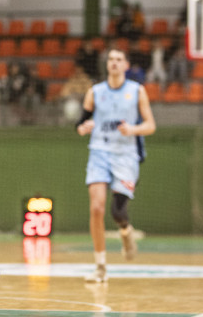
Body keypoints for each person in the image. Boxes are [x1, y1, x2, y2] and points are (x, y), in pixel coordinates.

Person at [75, 48, 156, 283]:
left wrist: (133, 129)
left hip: (126, 155)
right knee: (97, 208)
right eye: (110, 59)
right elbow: (80, 124)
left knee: (117, 212)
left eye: (119, 59)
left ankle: (125, 230)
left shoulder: (137, 91)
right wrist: (83, 128)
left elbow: (150, 125)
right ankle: (100, 267)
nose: (114, 63)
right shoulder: (95, 92)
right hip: (99, 152)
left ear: (126, 65)